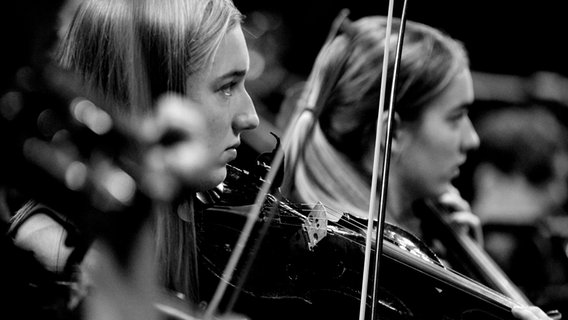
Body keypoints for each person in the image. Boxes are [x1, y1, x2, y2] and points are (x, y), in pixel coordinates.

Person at [280, 14, 556, 320]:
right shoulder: (353, 271)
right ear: (392, 133)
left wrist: (461, 264)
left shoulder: (412, 246)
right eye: (455, 118)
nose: (472, 139)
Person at [7, 0, 259, 318]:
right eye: (227, 86)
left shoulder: (184, 208)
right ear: (150, 99)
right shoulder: (57, 254)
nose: (251, 118)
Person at [455, 102, 568, 315]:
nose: (556, 195)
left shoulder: (548, 260)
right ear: (489, 179)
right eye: (539, 178)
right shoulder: (451, 256)